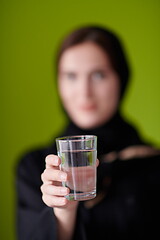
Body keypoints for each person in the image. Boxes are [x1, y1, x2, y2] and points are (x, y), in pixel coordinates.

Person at [16, 25, 160, 240]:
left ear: (121, 79)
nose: (84, 92)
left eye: (99, 75)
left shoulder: (153, 164)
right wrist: (64, 212)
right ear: (59, 83)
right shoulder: (34, 168)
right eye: (71, 76)